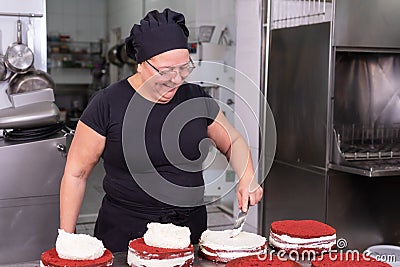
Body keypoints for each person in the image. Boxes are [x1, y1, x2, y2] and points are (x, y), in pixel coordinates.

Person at [59, 8, 263, 253]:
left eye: (183, 69)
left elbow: (233, 141)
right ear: (141, 64)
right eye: (166, 71)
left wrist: (247, 177)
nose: (176, 79)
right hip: (125, 234)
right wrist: (67, 239)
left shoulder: (195, 98)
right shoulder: (107, 104)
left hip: (189, 231)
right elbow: (76, 174)